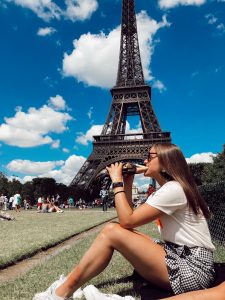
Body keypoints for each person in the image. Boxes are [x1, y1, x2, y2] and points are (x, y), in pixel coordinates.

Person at [33, 143, 215, 300]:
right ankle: (67, 284)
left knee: (111, 231)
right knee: (114, 230)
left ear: (165, 162)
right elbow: (128, 215)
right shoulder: (172, 188)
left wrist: (117, 181)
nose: (145, 161)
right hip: (185, 259)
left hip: (191, 268)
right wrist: (128, 182)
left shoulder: (173, 189)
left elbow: (127, 220)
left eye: (149, 157)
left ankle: (59, 293)